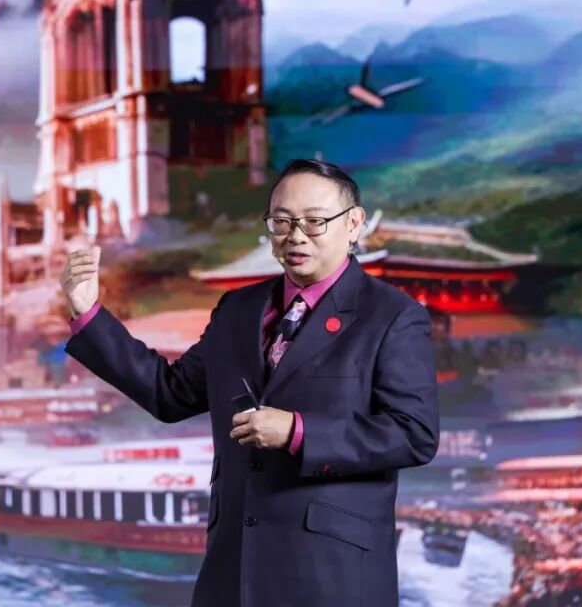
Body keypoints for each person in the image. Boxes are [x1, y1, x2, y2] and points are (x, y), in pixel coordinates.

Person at [59, 159, 440, 607]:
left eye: (315, 221)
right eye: (281, 221)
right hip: (232, 570)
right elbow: (170, 393)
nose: (296, 236)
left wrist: (298, 432)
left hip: (331, 576)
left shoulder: (393, 315)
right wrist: (87, 314)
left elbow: (414, 434)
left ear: (353, 223)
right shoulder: (238, 309)